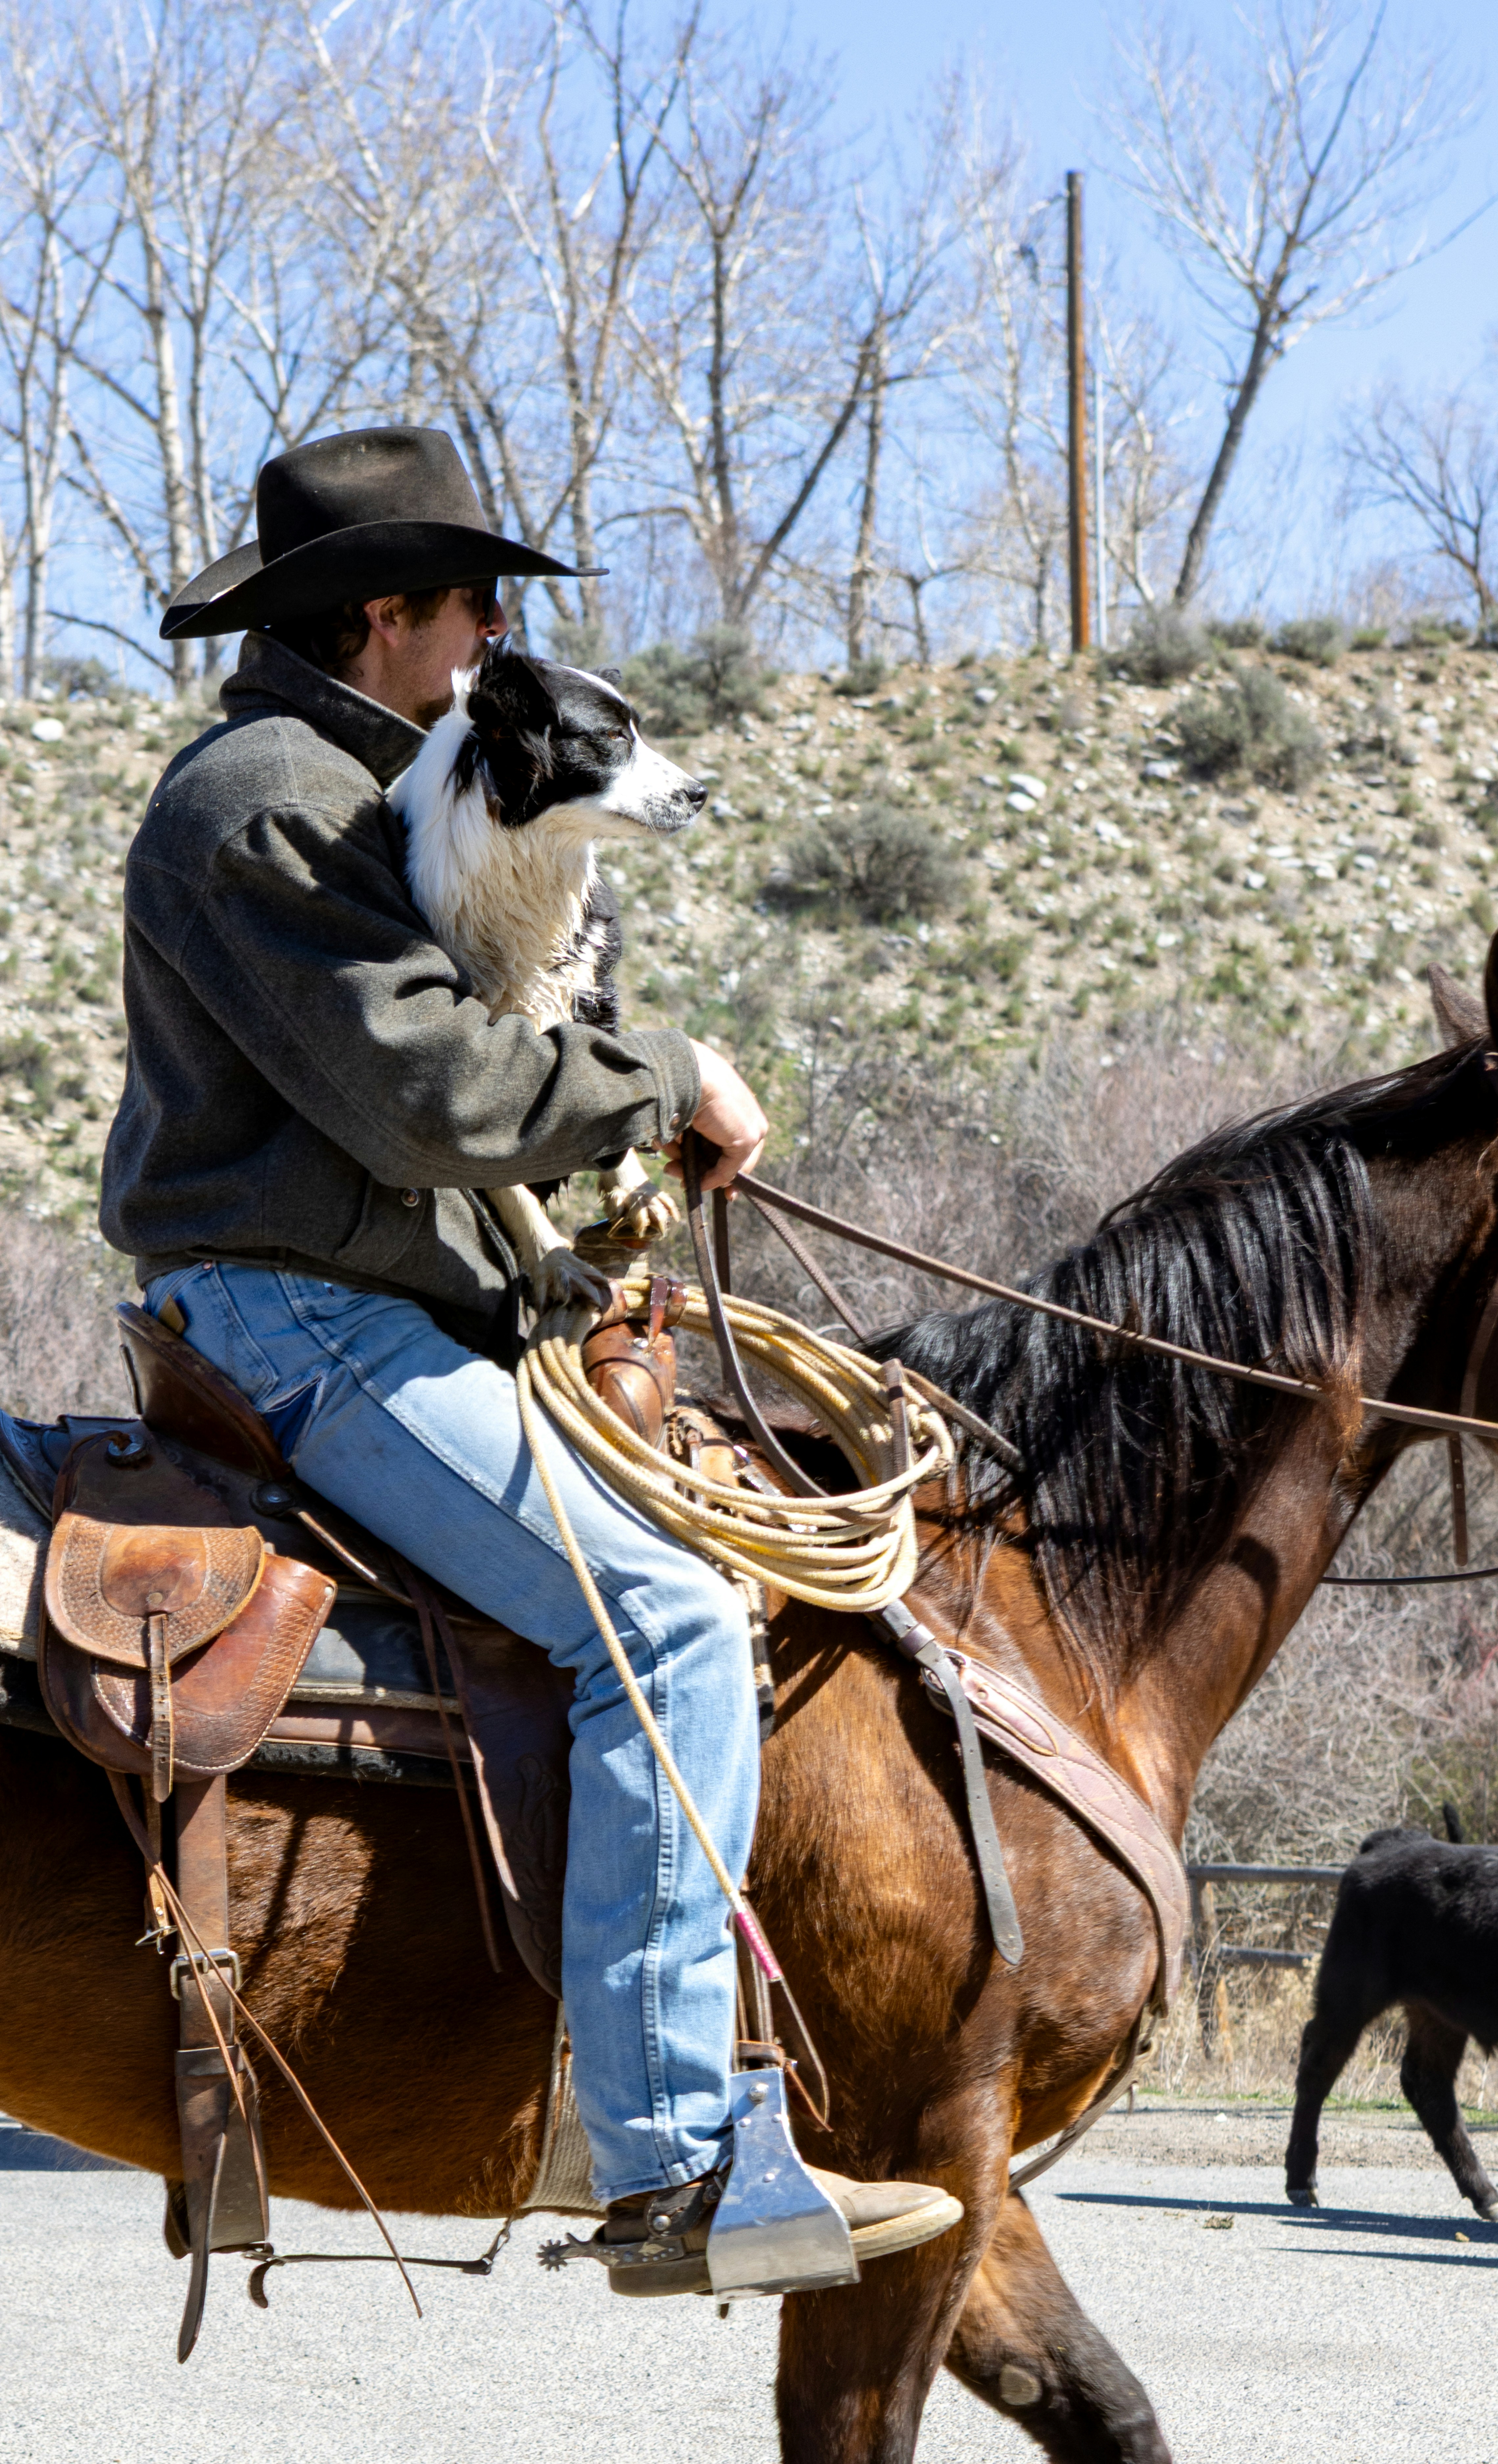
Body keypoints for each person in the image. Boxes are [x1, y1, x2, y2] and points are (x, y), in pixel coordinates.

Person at [100, 426, 959, 2296]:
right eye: (479, 603)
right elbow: (423, 1097)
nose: (500, 635)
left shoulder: (389, 786)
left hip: (379, 1302)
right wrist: (660, 1078)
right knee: (649, 1619)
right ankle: (672, 2165)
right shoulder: (263, 800)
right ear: (386, 614)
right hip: (293, 1315)